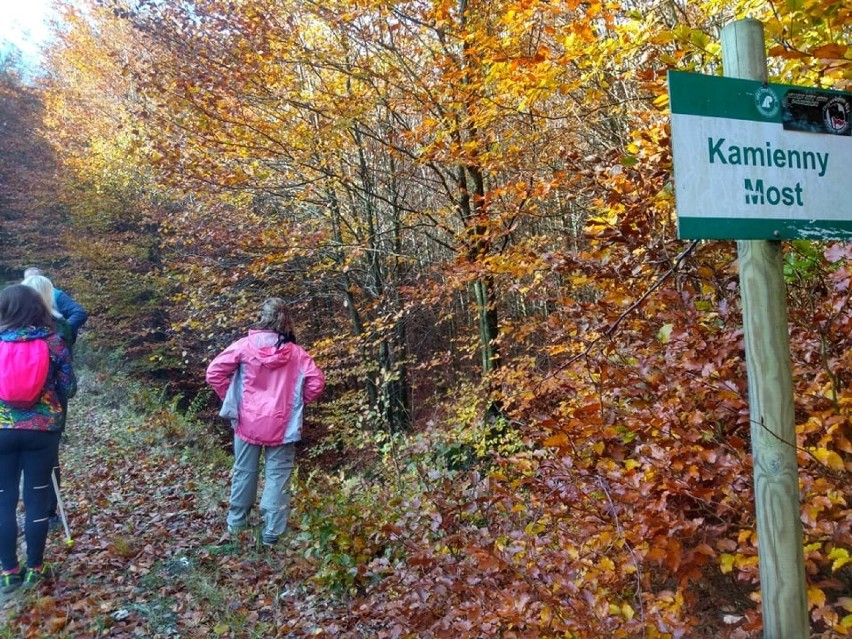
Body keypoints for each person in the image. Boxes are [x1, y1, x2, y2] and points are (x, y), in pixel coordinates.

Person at [206, 297, 325, 546]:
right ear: (287, 320)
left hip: (247, 422)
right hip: (283, 425)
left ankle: (237, 524)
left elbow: (214, 372)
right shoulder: (297, 355)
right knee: (278, 476)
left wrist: (232, 399)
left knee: (244, 472)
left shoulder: (244, 346)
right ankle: (272, 534)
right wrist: (297, 403)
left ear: (263, 317)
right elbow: (317, 382)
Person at [0, 285, 76, 593]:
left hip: (1, 429)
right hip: (43, 431)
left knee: (3, 500)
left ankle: (8, 571)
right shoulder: (55, 342)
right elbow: (68, 386)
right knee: (36, 498)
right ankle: (35, 567)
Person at [21, 275, 74, 530]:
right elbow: (68, 384)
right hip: (50, 408)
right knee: (50, 459)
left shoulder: (6, 327)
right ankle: (49, 513)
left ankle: (11, 518)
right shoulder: (60, 327)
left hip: (9, 412)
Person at [22, 268, 87, 343]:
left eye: (36, 278)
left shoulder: (56, 295)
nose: (33, 281)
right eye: (29, 279)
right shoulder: (22, 297)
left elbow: (79, 313)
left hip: (56, 346)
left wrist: (63, 331)